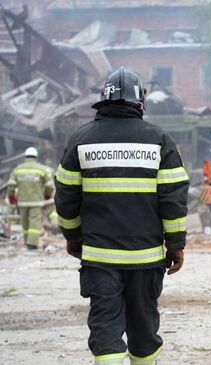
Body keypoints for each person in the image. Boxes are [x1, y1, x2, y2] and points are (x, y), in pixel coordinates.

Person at [55, 66, 189, 365]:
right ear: (140, 103)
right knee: (143, 328)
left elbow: (65, 198)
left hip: (100, 258)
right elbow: (174, 200)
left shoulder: (82, 139)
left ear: (103, 100)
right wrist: (176, 245)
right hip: (146, 258)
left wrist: (73, 236)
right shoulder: (159, 140)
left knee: (106, 328)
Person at [7, 147, 54, 249]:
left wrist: (11, 197)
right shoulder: (41, 169)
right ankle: (31, 244)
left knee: (24, 222)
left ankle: (26, 240)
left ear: (25, 157)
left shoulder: (18, 169)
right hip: (36, 202)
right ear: (36, 157)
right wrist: (47, 194)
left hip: (22, 201)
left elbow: (11, 185)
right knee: (34, 223)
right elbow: (49, 186)